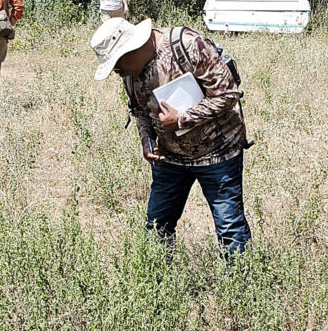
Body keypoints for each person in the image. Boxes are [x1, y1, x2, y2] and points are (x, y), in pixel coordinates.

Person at [90, 17, 251, 257]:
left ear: (132, 48)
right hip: (170, 159)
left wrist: (182, 118)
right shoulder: (130, 73)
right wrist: (146, 140)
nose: (117, 71)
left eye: (118, 64)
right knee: (157, 227)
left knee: (229, 227)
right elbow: (140, 110)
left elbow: (228, 95)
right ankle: (156, 280)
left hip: (218, 154)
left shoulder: (187, 44)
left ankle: (240, 287)